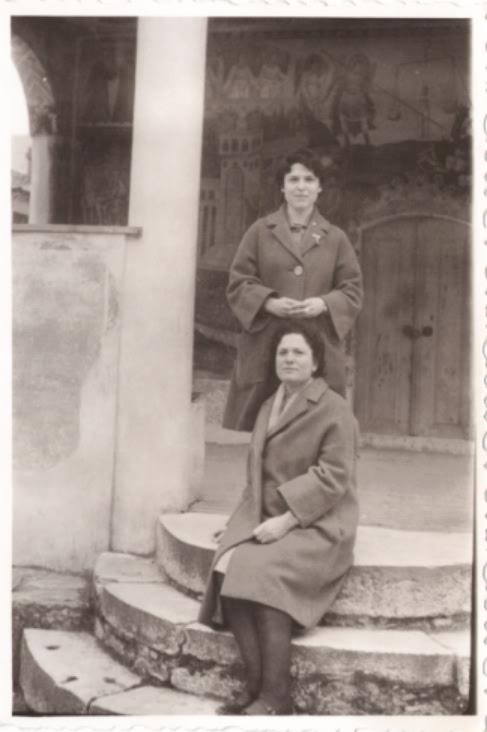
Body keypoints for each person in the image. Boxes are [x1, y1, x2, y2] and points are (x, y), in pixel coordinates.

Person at [199, 319, 359, 715]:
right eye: (282, 352)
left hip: (318, 523)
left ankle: (277, 696)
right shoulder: (269, 405)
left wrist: (286, 522)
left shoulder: (335, 409)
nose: (288, 359)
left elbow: (333, 477)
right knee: (226, 566)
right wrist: (238, 520)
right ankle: (256, 685)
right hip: (268, 514)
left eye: (298, 352)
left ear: (315, 362)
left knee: (264, 574)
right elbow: (256, 472)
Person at [223, 148, 363, 432]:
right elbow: (238, 283)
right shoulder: (260, 231)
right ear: (282, 187)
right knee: (265, 429)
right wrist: (268, 303)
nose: (301, 187)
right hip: (268, 346)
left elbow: (352, 290)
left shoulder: (335, 238)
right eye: (294, 180)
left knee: (316, 429)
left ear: (319, 187)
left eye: (309, 180)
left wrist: (323, 304)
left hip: (318, 347)